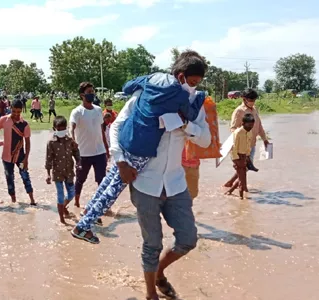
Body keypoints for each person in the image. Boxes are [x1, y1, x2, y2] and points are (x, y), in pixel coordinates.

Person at [70, 51, 207, 244]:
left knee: (108, 182)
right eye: (193, 83)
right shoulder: (180, 96)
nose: (194, 87)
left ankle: (87, 212)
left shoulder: (151, 78)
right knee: (115, 189)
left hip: (127, 140)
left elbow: (127, 87)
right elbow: (190, 114)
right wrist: (200, 97)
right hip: (142, 149)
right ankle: (83, 227)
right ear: (181, 77)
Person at [70, 82, 109, 209]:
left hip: (100, 152)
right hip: (84, 153)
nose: (92, 94)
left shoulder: (98, 110)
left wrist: (107, 148)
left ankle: (101, 205)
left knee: (101, 180)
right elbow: (72, 127)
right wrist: (73, 140)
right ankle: (76, 202)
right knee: (80, 180)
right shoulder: (77, 112)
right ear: (82, 95)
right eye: (89, 92)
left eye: (93, 92)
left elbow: (101, 130)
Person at [0, 99, 36, 205]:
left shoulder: (24, 125)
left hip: (20, 156)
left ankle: (32, 200)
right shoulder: (4, 120)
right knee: (9, 179)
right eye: (14, 111)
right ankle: (14, 201)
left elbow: (27, 143)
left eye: (18, 112)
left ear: (21, 111)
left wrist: (26, 159)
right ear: (10, 109)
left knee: (25, 177)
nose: (16, 114)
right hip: (6, 157)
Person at [46, 116, 81, 224]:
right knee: (60, 194)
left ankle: (63, 206)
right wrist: (47, 174)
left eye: (63, 129)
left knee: (71, 193)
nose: (61, 131)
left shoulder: (70, 140)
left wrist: (78, 162)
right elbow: (48, 159)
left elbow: (76, 152)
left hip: (69, 171)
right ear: (54, 128)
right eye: (59, 129)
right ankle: (61, 219)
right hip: (57, 173)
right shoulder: (51, 143)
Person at [229, 88, 270, 173]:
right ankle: (238, 186)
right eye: (251, 100)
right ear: (244, 99)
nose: (253, 102)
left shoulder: (255, 110)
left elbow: (259, 126)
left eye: (254, 100)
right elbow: (233, 129)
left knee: (245, 168)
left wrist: (265, 139)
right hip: (241, 146)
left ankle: (230, 183)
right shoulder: (239, 111)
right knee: (243, 168)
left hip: (252, 144)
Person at [225, 114, 254, 199]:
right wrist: (236, 160)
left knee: (243, 177)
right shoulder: (237, 133)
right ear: (243, 123)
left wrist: (248, 157)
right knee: (242, 178)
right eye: (248, 125)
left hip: (245, 156)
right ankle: (241, 198)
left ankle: (230, 191)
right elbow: (234, 147)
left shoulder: (250, 132)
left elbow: (248, 145)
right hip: (237, 156)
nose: (250, 127)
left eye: (252, 125)